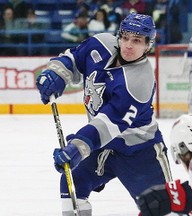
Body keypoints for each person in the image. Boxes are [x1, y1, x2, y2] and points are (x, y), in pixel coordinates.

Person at [35, 12, 172, 216]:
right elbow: (72, 58)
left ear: (148, 45)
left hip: (139, 151)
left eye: (136, 40)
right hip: (103, 146)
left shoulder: (139, 81)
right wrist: (57, 73)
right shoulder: (101, 43)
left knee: (159, 207)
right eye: (125, 37)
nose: (128, 45)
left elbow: (108, 124)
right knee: (72, 181)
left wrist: (77, 148)